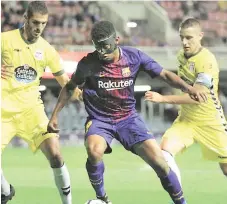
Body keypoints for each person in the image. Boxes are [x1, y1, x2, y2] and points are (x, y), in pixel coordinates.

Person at [47, 20, 207, 204]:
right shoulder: (87, 63)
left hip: (128, 119)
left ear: (117, 40)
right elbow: (69, 88)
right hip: (100, 120)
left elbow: (163, 74)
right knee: (94, 150)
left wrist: (189, 88)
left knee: (161, 164)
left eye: (105, 46)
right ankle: (102, 198)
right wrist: (54, 116)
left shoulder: (133, 57)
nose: (102, 52)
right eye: (98, 47)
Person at [1, 1, 80, 204]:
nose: (39, 28)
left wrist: (83, 94)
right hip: (3, 112)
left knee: (55, 154)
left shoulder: (47, 50)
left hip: (32, 112)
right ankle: (5, 190)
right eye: (35, 22)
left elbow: (65, 82)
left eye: (43, 23)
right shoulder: (4, 40)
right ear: (25, 18)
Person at [145, 18, 227, 188]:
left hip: (210, 121)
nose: (184, 42)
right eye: (182, 37)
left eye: (189, 38)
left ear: (200, 36)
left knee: (226, 168)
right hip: (186, 120)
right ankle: (179, 199)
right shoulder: (181, 56)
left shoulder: (207, 61)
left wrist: (163, 99)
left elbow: (197, 97)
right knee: (164, 153)